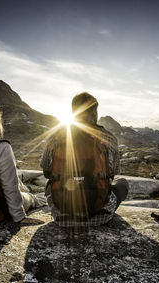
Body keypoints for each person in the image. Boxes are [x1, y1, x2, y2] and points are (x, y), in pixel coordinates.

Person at [40, 92, 128, 227]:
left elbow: (46, 171)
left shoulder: (55, 136)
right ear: (94, 112)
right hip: (99, 215)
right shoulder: (109, 138)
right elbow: (112, 173)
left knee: (48, 184)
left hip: (62, 216)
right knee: (122, 183)